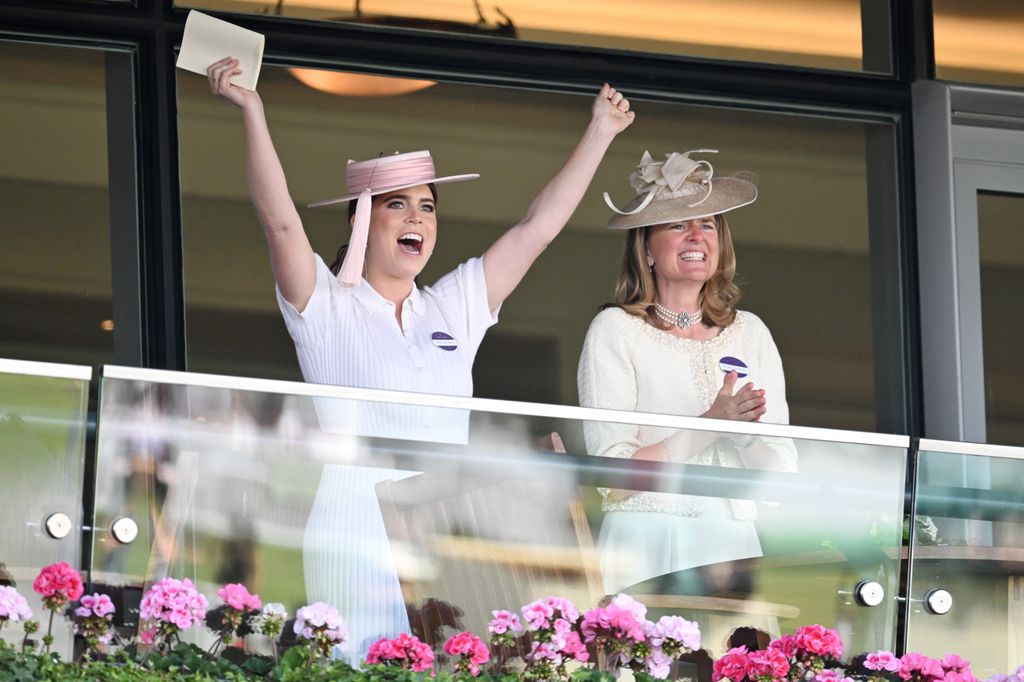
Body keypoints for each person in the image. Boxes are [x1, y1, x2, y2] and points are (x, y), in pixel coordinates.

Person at [207, 57, 635, 660]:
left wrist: (599, 133)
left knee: (453, 666)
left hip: (445, 528)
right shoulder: (326, 306)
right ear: (361, 220)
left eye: (428, 207)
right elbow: (280, 224)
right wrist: (253, 111)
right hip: (355, 522)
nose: (417, 218)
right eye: (397, 205)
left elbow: (538, 227)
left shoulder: (453, 305)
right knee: (362, 667)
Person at [576, 148, 797, 600]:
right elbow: (613, 478)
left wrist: (743, 433)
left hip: (733, 546)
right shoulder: (616, 330)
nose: (697, 234)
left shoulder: (750, 332)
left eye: (708, 224)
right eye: (678, 223)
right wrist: (711, 424)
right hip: (645, 540)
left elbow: (780, 477)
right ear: (647, 247)